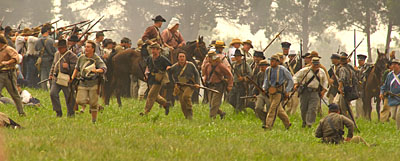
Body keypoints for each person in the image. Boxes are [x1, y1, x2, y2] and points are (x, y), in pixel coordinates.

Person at [71, 40, 107, 123]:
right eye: (85, 47)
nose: (86, 48)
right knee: (79, 100)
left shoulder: (96, 58)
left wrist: (96, 70)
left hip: (93, 83)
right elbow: (77, 68)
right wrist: (72, 78)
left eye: (88, 47)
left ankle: (94, 121)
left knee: (93, 105)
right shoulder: (81, 57)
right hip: (83, 82)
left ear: (93, 49)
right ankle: (97, 105)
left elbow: (104, 68)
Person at [294, 57, 328, 128]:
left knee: (313, 108)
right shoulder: (305, 70)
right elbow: (295, 77)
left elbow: (325, 81)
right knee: (303, 108)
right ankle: (304, 122)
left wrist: (324, 91)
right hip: (305, 91)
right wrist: (296, 84)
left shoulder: (321, 72)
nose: (316, 66)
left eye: (317, 64)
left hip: (315, 92)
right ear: (311, 63)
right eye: (314, 64)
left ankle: (309, 123)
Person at [262, 54, 293, 130]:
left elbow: (290, 80)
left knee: (272, 108)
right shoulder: (268, 70)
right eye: (271, 61)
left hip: (279, 92)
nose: (271, 62)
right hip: (271, 92)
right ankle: (287, 123)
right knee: (278, 110)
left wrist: (287, 90)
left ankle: (268, 125)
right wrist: (264, 88)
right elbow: (266, 80)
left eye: (273, 61)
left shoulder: (282, 69)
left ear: (277, 62)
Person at [140, 43, 171, 116]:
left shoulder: (162, 58)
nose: (153, 51)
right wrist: (146, 75)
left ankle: (146, 112)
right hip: (151, 78)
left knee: (150, 95)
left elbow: (169, 65)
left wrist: (167, 68)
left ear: (158, 50)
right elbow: (148, 67)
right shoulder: (149, 58)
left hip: (158, 79)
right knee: (155, 96)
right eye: (152, 49)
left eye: (154, 49)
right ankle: (166, 104)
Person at [49, 39, 78, 117]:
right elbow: (53, 65)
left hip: (66, 79)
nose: (59, 49)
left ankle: (71, 113)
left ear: (65, 47)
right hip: (56, 78)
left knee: (69, 97)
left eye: (61, 48)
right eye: (59, 47)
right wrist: (51, 74)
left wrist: (68, 67)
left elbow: (76, 68)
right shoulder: (56, 54)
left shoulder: (72, 56)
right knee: (53, 94)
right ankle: (58, 111)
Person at [169, 50, 200, 119]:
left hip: (189, 85)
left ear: (185, 57)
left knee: (186, 96)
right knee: (182, 103)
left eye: (183, 56)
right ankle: (187, 117)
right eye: (180, 57)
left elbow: (196, 74)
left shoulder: (190, 65)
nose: (182, 58)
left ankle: (190, 110)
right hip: (180, 86)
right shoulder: (175, 66)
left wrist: (197, 83)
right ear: (178, 58)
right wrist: (174, 83)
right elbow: (169, 73)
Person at [202, 51, 233, 119]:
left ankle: (212, 118)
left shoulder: (220, 65)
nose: (209, 59)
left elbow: (229, 75)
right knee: (211, 104)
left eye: (210, 57)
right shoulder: (207, 65)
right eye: (208, 57)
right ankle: (222, 113)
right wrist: (205, 80)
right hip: (210, 86)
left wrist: (230, 85)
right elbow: (206, 75)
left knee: (215, 104)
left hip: (218, 86)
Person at [35, 25, 57, 90]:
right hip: (50, 59)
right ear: (47, 32)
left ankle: (44, 89)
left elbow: (36, 49)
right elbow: (54, 50)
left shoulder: (38, 40)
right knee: (50, 74)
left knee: (43, 74)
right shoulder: (51, 40)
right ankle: (51, 88)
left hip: (41, 59)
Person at [380, 59, 400, 130]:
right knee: (393, 116)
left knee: (398, 115)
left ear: (399, 65)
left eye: (395, 64)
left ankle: (398, 130)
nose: (393, 66)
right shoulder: (389, 75)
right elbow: (384, 86)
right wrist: (382, 92)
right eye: (392, 64)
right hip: (392, 98)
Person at [254, 60, 271, 127]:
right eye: (260, 66)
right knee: (258, 108)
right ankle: (264, 120)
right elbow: (257, 85)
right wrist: (255, 93)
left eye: (263, 66)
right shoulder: (259, 74)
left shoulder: (271, 74)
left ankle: (268, 123)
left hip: (269, 94)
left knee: (269, 108)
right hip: (261, 94)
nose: (261, 68)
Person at [284, 50, 301, 115]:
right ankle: (287, 114)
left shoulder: (299, 64)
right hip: (288, 84)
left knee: (295, 102)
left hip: (296, 85)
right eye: (291, 56)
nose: (292, 57)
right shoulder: (286, 65)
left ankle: (292, 114)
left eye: (293, 56)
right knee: (289, 102)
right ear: (288, 56)